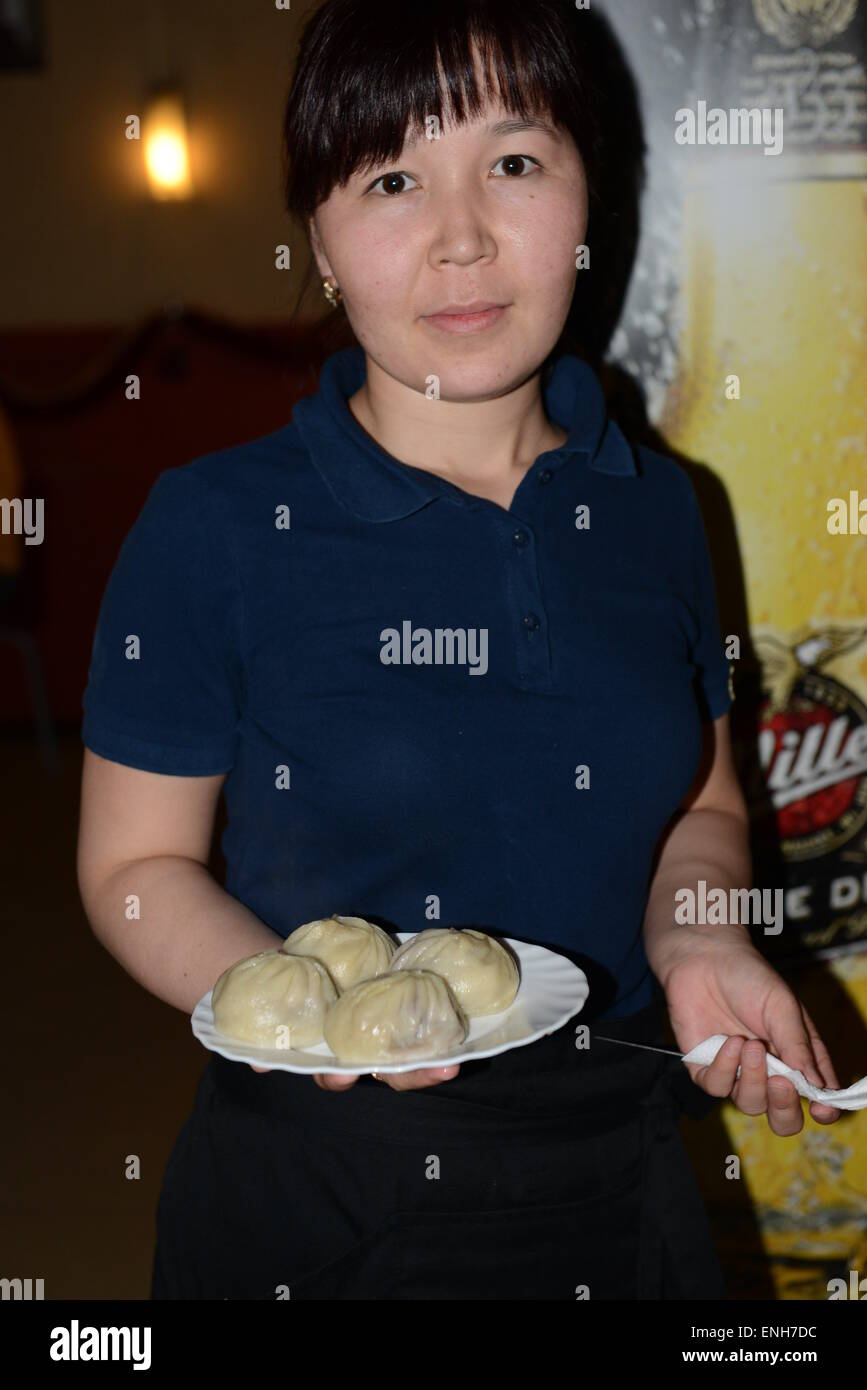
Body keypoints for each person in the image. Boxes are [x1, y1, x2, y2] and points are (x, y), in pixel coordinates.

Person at [76, 0, 842, 1301]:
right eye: (391, 178)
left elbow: (701, 804)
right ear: (316, 236)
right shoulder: (215, 527)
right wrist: (318, 1016)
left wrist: (701, 938)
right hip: (327, 1194)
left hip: (625, 1178)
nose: (463, 239)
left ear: (587, 191)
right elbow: (133, 866)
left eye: (515, 161)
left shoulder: (661, 504)